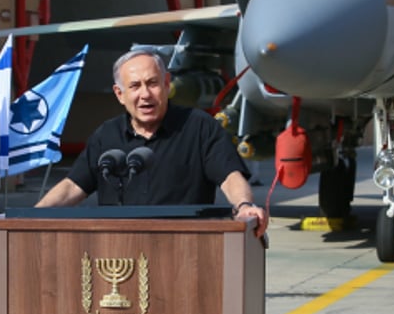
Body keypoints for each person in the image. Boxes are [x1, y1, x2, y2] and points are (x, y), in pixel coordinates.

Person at [36, 49, 268, 237]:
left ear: (167, 84)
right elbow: (72, 187)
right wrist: (31, 217)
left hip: (186, 248)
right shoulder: (106, 135)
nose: (145, 94)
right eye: (135, 86)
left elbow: (230, 177)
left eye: (152, 83)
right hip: (117, 254)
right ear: (120, 94)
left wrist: (244, 205)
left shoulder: (199, 127)